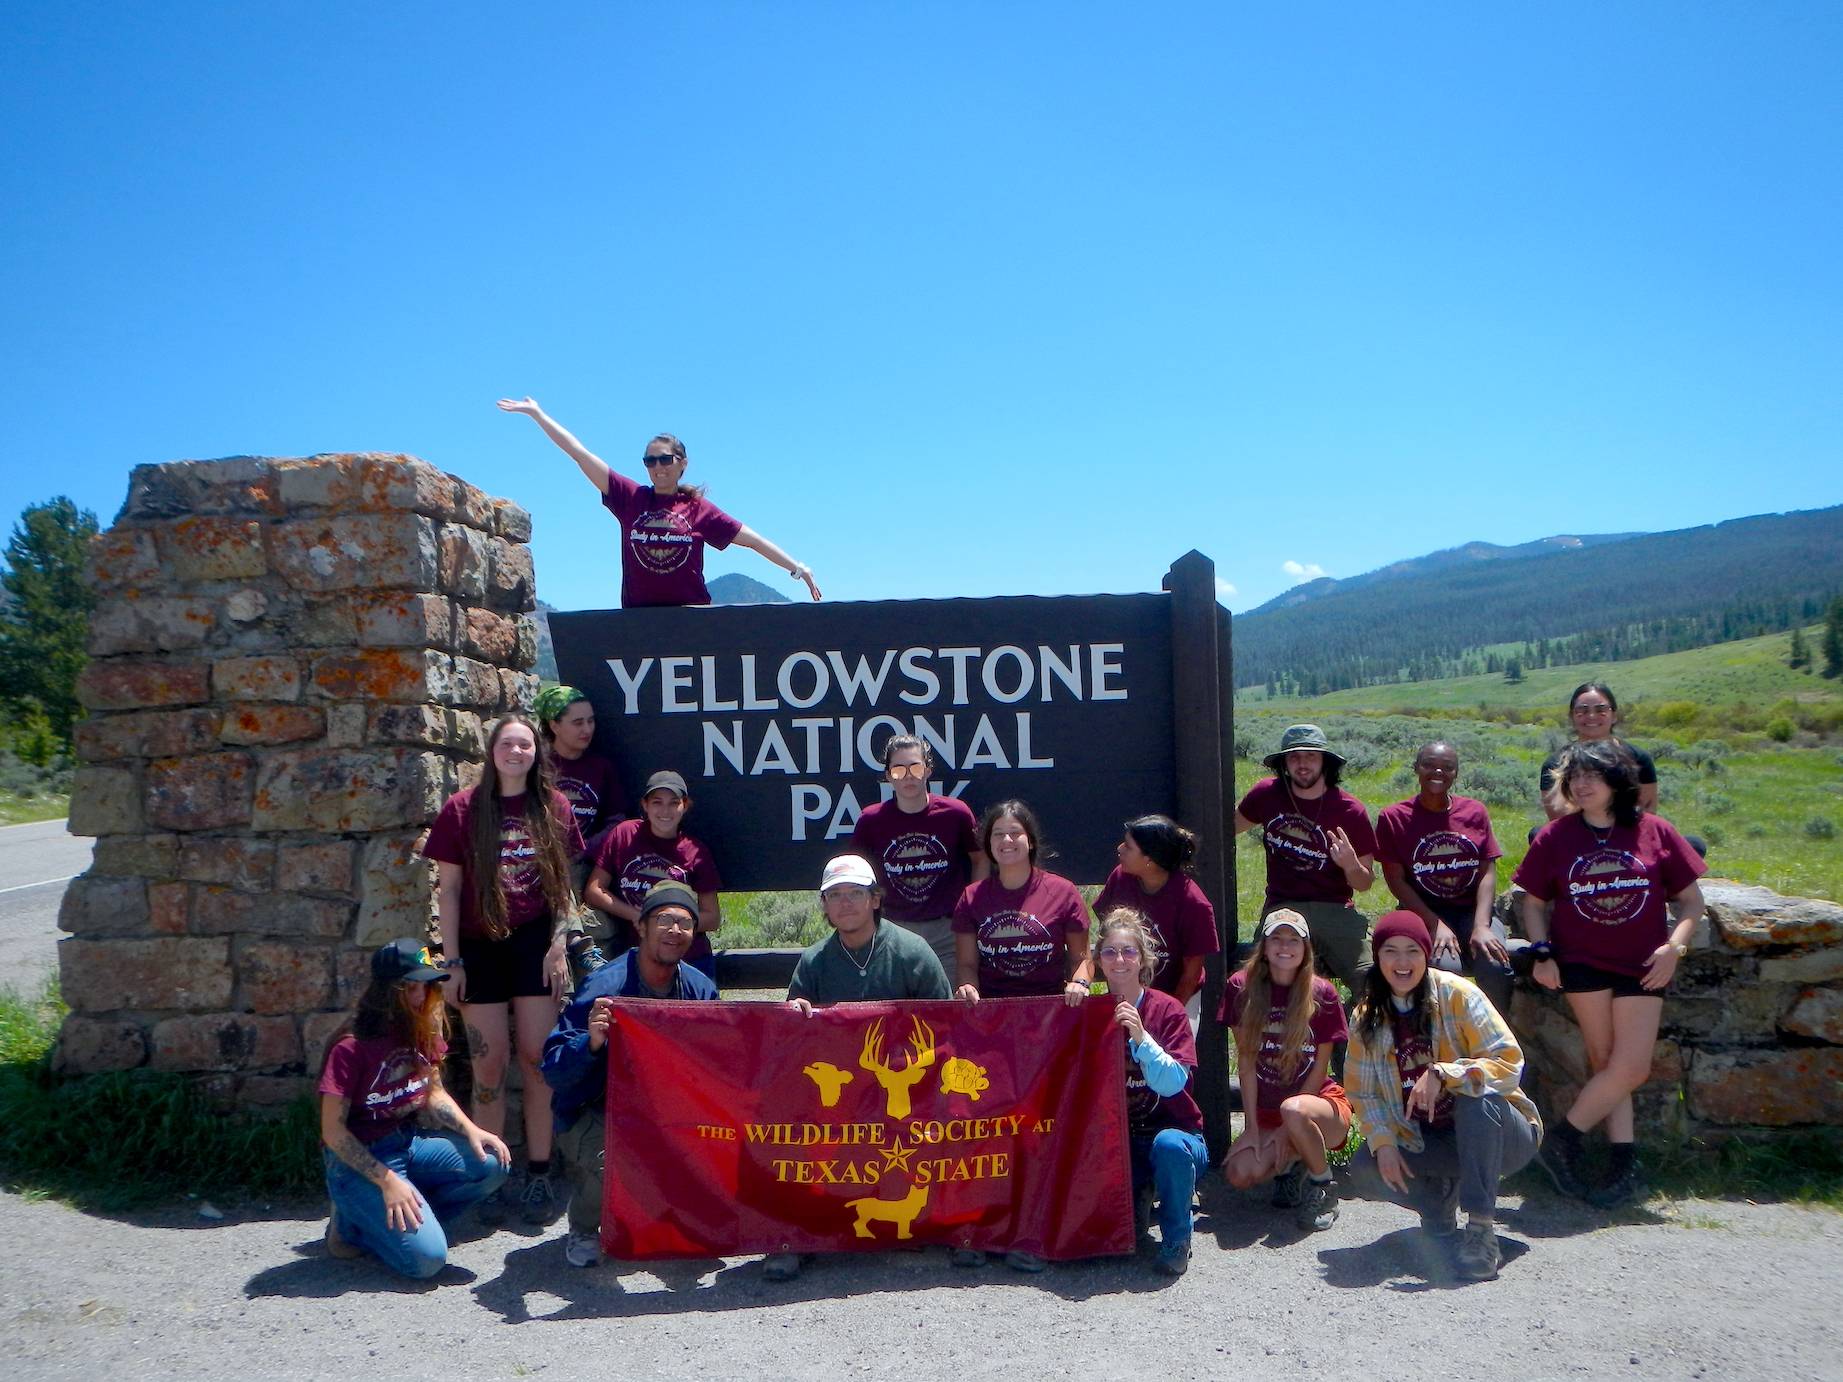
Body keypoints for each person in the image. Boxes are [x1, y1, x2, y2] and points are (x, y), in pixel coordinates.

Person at [1514, 739, 1707, 1208]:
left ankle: (1561, 1139)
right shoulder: (1555, 836)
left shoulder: (1654, 831)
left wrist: (1673, 947)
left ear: (1616, 782)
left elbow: (1692, 901)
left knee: (1631, 1066)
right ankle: (1624, 1160)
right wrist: (1542, 952)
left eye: (1591, 777)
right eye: (1574, 777)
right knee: (1607, 1064)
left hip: (1643, 964)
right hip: (1580, 963)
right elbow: (1533, 902)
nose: (1581, 785)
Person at [422, 713, 584, 1226]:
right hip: (479, 945)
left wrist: (560, 944)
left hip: (535, 943)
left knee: (538, 1059)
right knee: (488, 1067)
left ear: (538, 753)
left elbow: (564, 887)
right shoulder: (463, 810)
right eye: (508, 744)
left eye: (526, 745)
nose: (517, 752)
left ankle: (539, 1171)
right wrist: (450, 962)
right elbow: (447, 890)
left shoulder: (552, 807)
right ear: (492, 751)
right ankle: (487, 1172)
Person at [765, 855, 953, 1282]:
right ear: (824, 905)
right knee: (783, 1136)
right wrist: (795, 1012)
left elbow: (944, 1028)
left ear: (875, 900)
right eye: (835, 896)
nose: (845, 904)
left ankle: (948, 1226)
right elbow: (795, 1042)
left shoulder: (911, 951)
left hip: (907, 1089)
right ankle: (795, 1235)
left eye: (855, 894)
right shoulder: (814, 961)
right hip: (840, 1093)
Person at [1346, 912, 1542, 1282]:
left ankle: (1482, 1230)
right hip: (1431, 1137)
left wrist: (1444, 1073)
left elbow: (1509, 1062)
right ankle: (1438, 1204)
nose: (1402, 963)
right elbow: (1362, 1091)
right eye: (1391, 952)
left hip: (1503, 1136)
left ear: (1425, 953)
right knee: (1366, 1166)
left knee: (1476, 1096)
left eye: (1411, 951)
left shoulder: (1459, 995)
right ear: (1378, 957)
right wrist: (1384, 1142)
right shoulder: (1367, 1015)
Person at [541, 882, 720, 1269]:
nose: (675, 931)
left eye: (685, 923)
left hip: (665, 1112)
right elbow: (553, 1069)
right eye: (664, 920)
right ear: (641, 927)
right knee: (613, 1162)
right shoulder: (603, 988)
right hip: (594, 1111)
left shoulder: (700, 989)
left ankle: (674, 1213)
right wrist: (589, 1043)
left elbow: (719, 1062)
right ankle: (586, 1225)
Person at [496, 396, 821, 607]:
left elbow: (754, 541)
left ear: (682, 463)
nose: (657, 467)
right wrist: (538, 414)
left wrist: (798, 569)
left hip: (692, 617)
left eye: (664, 460)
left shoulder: (698, 509)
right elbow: (579, 454)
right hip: (640, 620)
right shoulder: (630, 497)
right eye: (649, 461)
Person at [951, 799, 1092, 1272]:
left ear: (1030, 840)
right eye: (997, 836)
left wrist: (1080, 981)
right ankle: (979, 1226)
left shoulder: (1062, 892)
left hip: (1048, 1025)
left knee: (1037, 1131)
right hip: (991, 1028)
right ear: (987, 845)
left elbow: (1082, 959)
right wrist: (966, 986)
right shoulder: (973, 899)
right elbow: (968, 965)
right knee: (987, 1130)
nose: (1006, 842)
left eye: (1014, 834)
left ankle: (1031, 1232)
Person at [318, 938, 511, 1279]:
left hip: (408, 1143)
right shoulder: (350, 1047)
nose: (421, 997)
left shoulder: (418, 1027)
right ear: (386, 991)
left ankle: (405, 1219)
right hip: (359, 1161)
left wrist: (472, 1129)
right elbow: (332, 1133)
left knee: (492, 1164)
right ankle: (352, 1225)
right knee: (428, 1261)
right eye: (410, 988)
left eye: (426, 987)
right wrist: (388, 1181)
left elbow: (433, 1093)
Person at [1219, 911, 1352, 1231]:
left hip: (1318, 1106)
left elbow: (1321, 1067)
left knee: (1293, 1110)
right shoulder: (1241, 986)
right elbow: (1247, 1062)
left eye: (1294, 939)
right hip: (1268, 1108)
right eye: (1276, 938)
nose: (1285, 946)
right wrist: (1251, 1128)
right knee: (1239, 1174)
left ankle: (1323, 1187)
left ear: (1306, 948)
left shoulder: (1322, 993)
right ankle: (1295, 1165)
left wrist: (1284, 1130)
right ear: (1263, 946)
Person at [1095, 909, 1210, 1276]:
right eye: (1110, 952)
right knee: (1115, 1240)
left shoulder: (1168, 1010)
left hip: (1177, 1135)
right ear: (1098, 960)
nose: (1119, 960)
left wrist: (1141, 1038)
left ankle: (1177, 1237)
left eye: (1129, 952)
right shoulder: (1091, 1013)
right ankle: (1138, 1198)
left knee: (1170, 1146)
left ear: (1143, 960)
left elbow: (1174, 1083)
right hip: (1121, 1142)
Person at [1233, 723, 1379, 994]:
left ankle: (1355, 1030)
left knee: (1371, 979)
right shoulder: (1267, 794)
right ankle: (1270, 1035)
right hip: (1282, 905)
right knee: (1256, 981)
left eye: (1311, 756)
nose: (1302, 764)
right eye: (1294, 757)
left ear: (1325, 761)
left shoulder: (1350, 810)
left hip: (1334, 907)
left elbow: (1364, 883)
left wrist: (1350, 865)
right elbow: (1228, 826)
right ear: (1284, 763)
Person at [1375, 741, 1514, 1015]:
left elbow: (1487, 870)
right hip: (1423, 910)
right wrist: (1434, 923)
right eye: (1429, 765)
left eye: (1447, 767)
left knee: (1495, 963)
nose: (1437, 771)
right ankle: (1447, 1038)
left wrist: (1482, 925)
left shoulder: (1474, 812)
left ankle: (1496, 1037)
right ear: (1416, 768)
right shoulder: (1394, 817)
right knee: (1444, 967)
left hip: (1472, 909)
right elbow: (1395, 879)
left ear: (1456, 773)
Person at [849, 733, 988, 975]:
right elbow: (857, 872)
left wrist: (971, 907)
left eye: (915, 766)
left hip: (947, 932)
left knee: (947, 1007)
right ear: (888, 776)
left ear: (928, 769)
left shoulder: (955, 813)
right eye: (898, 769)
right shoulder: (871, 820)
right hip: (893, 931)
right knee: (895, 1009)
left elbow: (980, 857)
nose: (908, 776)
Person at [584, 770, 723, 984]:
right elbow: (594, 891)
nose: (665, 811)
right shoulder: (625, 835)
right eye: (657, 802)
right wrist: (636, 915)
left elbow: (712, 917)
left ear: (684, 806)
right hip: (638, 959)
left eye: (673, 803)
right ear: (645, 805)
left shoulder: (695, 852)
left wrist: (671, 925)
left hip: (689, 958)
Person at [1536, 682, 1707, 855]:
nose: (1592, 716)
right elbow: (1557, 819)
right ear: (1572, 716)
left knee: (1693, 846)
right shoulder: (1555, 764)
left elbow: (1647, 814)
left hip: (1629, 839)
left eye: (1601, 710)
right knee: (1538, 836)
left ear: (1614, 715)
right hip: (1577, 841)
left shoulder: (1638, 758)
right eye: (1583, 711)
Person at [535, 683, 624, 978]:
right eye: (577, 722)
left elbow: (616, 820)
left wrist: (583, 849)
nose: (587, 729)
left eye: (591, 721)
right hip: (542, 865)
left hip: (583, 865)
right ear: (554, 725)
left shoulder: (601, 768)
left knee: (600, 928)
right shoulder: (539, 767)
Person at [1092, 814, 1218, 1013]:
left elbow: (1191, 973)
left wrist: (1168, 1013)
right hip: (1125, 990)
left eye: (1128, 846)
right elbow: (1108, 928)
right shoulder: (1120, 878)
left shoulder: (1193, 903)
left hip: (1177, 995)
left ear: (1149, 860)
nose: (1120, 849)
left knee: (1169, 1045)